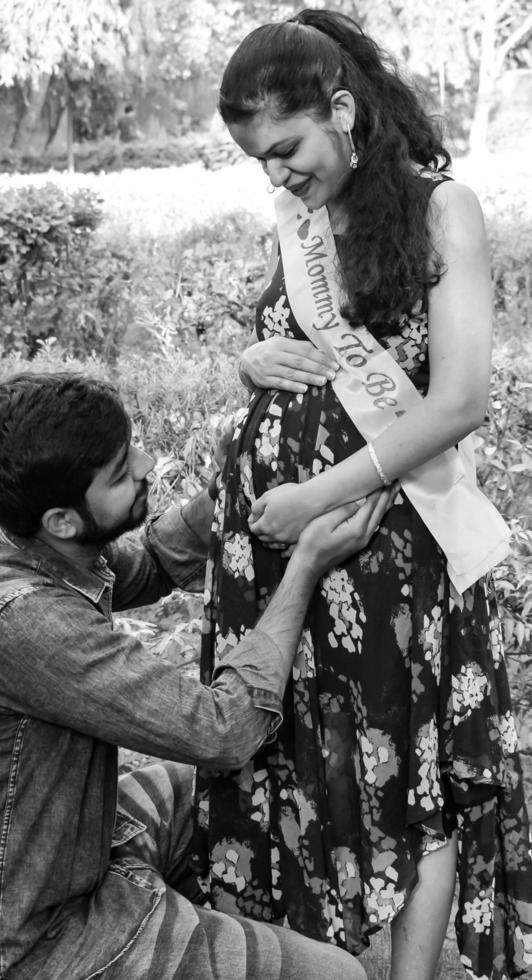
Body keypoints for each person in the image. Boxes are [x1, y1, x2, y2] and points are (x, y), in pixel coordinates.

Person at [191, 9, 532, 980]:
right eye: (257, 159)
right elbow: (287, 356)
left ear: (340, 110)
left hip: (386, 549)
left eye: (287, 148)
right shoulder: (299, 222)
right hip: (281, 561)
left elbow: (459, 396)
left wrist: (312, 497)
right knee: (308, 774)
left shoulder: (440, 211)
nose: (275, 174)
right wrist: (249, 358)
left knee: (403, 781)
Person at [0, 371, 391, 979]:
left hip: (64, 858)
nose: (147, 464)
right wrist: (307, 567)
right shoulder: (25, 621)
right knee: (338, 976)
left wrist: (228, 491)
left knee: (233, 786)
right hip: (25, 946)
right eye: (119, 471)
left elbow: (153, 561)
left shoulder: (22, 551)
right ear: (62, 520)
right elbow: (220, 729)